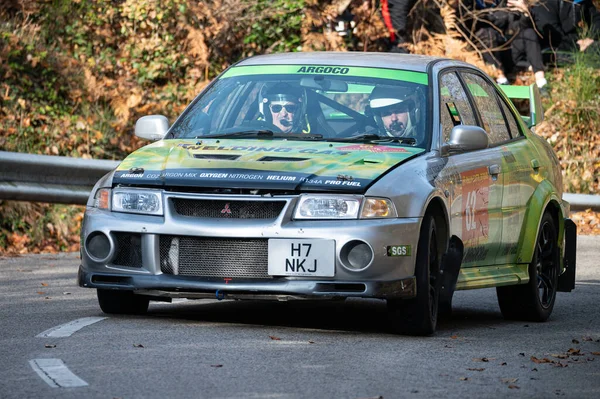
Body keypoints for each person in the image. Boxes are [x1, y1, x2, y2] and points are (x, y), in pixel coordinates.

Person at [531, 0, 600, 62]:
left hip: (579, 43)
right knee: (555, 55)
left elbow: (596, 19)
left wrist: (591, 38)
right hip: (554, 47)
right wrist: (577, 45)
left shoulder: (581, 2)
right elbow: (553, 36)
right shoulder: (544, 4)